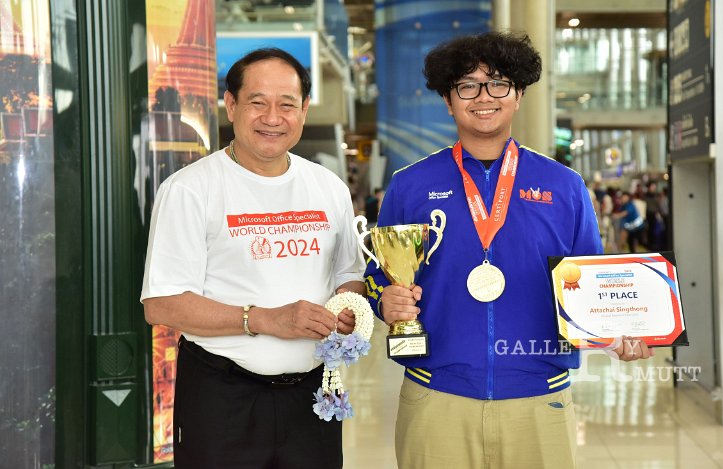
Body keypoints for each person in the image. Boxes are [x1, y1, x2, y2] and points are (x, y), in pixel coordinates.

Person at [364, 31, 652, 469]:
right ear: (448, 100)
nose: (484, 96)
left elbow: (595, 286)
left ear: (518, 95)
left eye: (498, 83)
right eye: (467, 85)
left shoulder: (565, 186)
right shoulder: (410, 185)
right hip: (435, 396)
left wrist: (623, 332)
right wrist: (383, 300)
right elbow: (377, 278)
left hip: (540, 400)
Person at [141, 48, 366, 468]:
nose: (272, 118)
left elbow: (348, 275)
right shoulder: (190, 189)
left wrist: (349, 309)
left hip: (312, 398)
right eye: (257, 103)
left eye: (287, 105)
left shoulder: (328, 187)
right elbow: (162, 304)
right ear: (231, 105)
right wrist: (264, 319)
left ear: (304, 110)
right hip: (223, 399)